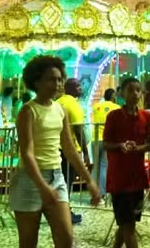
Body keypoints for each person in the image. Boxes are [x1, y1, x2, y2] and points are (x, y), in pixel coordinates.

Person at [9, 56, 99, 248]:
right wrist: (42, 186)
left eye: (59, 79)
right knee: (28, 242)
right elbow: (27, 152)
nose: (57, 84)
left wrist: (89, 180)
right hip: (29, 179)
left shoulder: (60, 110)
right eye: (51, 79)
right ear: (36, 82)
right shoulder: (28, 111)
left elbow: (69, 148)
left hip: (57, 177)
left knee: (66, 238)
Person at [104, 77, 150, 248]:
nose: (134, 94)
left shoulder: (146, 117)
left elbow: (149, 144)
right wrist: (120, 146)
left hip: (138, 178)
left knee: (128, 222)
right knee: (129, 226)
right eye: (130, 90)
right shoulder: (113, 116)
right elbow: (106, 144)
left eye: (138, 90)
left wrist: (136, 148)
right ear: (121, 93)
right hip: (119, 179)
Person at [55, 78, 89, 225]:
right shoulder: (73, 105)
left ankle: (61, 211)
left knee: (60, 182)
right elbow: (78, 130)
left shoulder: (58, 102)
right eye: (78, 86)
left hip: (56, 148)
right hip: (69, 150)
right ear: (71, 88)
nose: (81, 89)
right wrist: (86, 153)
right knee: (66, 183)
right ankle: (65, 213)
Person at [91, 88, 120, 196]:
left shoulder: (96, 106)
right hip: (107, 140)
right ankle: (102, 193)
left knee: (95, 167)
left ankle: (93, 193)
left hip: (95, 139)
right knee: (104, 166)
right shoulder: (116, 107)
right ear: (113, 96)